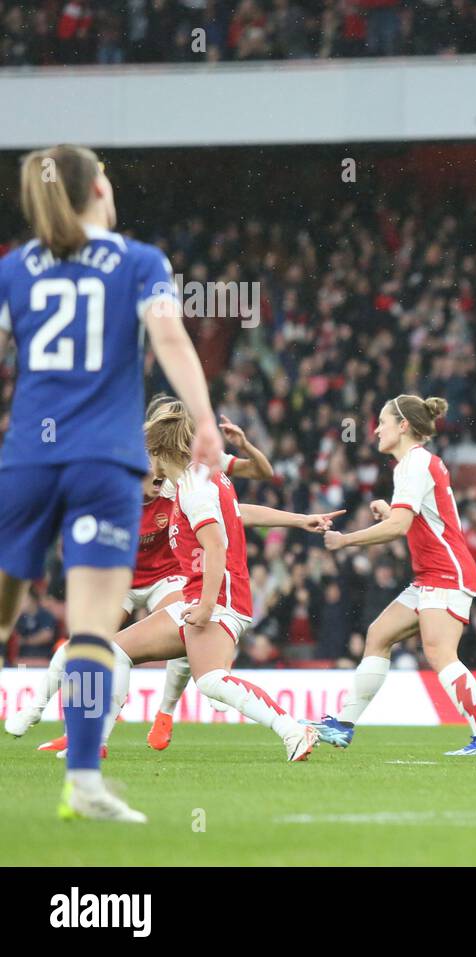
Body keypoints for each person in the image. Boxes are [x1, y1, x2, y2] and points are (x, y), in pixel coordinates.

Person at [0, 145, 222, 822]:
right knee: (94, 632)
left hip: (28, 461)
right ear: (99, 186)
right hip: (106, 463)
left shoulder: (14, 268)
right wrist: (205, 422)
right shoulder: (138, 261)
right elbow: (172, 342)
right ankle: (85, 782)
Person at [6, 397, 277, 754]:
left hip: (168, 576)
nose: (156, 478)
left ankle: (164, 713)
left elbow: (241, 503)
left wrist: (296, 517)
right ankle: (41, 711)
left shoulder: (189, 469)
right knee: (87, 644)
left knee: (188, 624)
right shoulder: (114, 471)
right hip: (122, 578)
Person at [107, 407, 339, 761]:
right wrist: (298, 520)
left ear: (157, 453)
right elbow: (237, 512)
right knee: (117, 652)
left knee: (212, 681)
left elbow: (216, 546)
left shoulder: (194, 487)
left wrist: (205, 605)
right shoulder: (193, 480)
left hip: (217, 597)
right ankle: (97, 743)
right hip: (205, 595)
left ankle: (293, 730)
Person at [309, 395, 476, 756]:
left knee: (440, 653)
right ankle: (342, 726)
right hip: (431, 574)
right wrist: (392, 509)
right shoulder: (415, 465)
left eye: (382, 421)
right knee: (379, 635)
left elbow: (399, 527)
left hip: (446, 573)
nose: (376, 429)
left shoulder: (414, 464)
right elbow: (414, 518)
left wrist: (345, 541)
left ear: (403, 426)